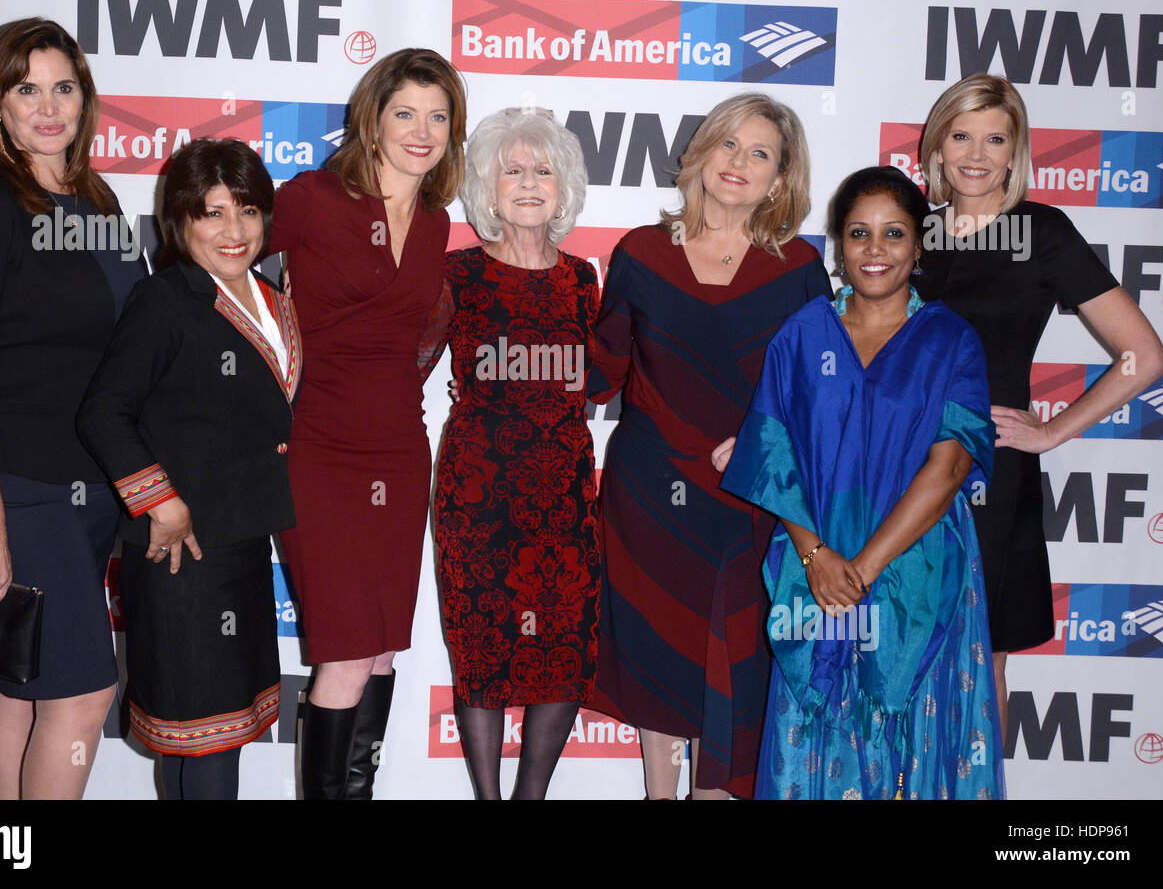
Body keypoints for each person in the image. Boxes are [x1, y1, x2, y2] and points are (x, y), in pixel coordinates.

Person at [721, 165, 1005, 799]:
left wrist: (865, 568)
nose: (875, 250)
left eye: (894, 233)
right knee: (817, 727)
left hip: (918, 565)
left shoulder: (950, 341)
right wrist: (819, 558)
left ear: (920, 245)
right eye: (859, 233)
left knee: (914, 734)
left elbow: (952, 464)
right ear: (838, 245)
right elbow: (774, 455)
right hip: (814, 562)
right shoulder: (802, 336)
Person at [0, 17, 146, 799]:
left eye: (64, 87)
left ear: (85, 99)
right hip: (14, 488)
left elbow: (134, 344)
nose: (47, 106)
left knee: (20, 677)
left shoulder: (95, 198)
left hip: (88, 487)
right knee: (83, 692)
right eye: (26, 89)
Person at [587, 93, 832, 799]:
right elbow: (600, 371)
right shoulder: (639, 252)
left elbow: (816, 396)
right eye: (730, 144)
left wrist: (762, 438)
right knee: (657, 648)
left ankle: (714, 793)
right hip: (647, 492)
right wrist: (511, 354)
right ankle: (659, 793)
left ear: (780, 180)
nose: (740, 164)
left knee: (738, 657)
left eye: (761, 154)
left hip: (749, 492)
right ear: (702, 153)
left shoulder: (798, 271)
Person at [912, 75, 1163, 737]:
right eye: (961, 135)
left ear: (1016, 151)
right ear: (936, 147)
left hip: (990, 477)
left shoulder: (1041, 231)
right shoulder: (910, 236)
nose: (976, 153)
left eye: (995, 138)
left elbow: (1144, 354)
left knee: (981, 659)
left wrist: (1054, 432)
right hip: (898, 467)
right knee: (897, 657)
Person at [267, 48, 467, 799]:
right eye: (404, 113)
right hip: (318, 446)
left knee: (381, 651)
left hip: (399, 448)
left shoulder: (439, 223)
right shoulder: (314, 197)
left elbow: (412, 342)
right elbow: (215, 268)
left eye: (438, 116)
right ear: (372, 121)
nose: (422, 130)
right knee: (346, 654)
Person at [76, 138, 298, 800]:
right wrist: (160, 502)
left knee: (211, 735)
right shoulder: (166, 299)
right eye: (212, 213)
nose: (234, 231)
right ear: (181, 221)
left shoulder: (269, 293)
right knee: (205, 739)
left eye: (249, 211)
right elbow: (103, 413)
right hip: (182, 551)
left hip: (241, 541)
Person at [426, 107, 600, 799]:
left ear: (564, 187)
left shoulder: (583, 278)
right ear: (486, 189)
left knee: (564, 647)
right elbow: (403, 363)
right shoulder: (456, 275)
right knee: (483, 650)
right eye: (511, 171)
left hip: (564, 488)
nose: (527, 184)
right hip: (479, 492)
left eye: (542, 170)